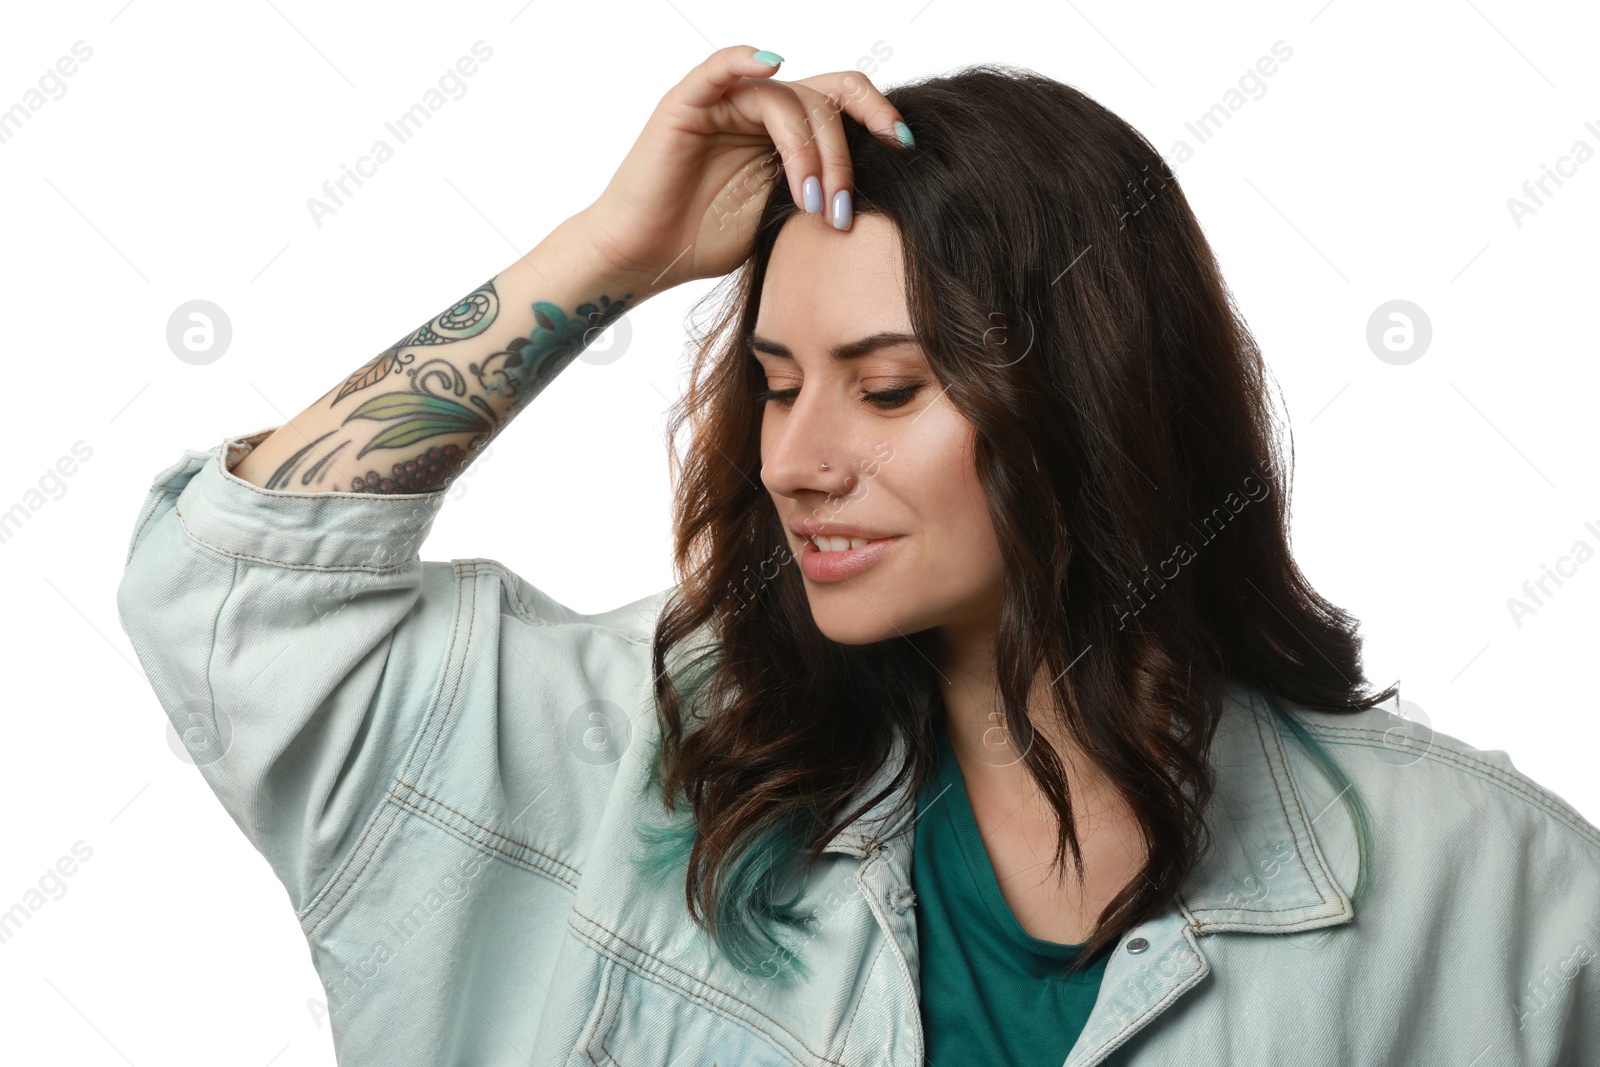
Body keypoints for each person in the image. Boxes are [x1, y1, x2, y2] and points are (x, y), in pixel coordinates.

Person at [117, 45, 1599, 1067]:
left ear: (1089, 401)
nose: (793, 458)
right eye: (774, 381)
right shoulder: (632, 763)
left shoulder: (1501, 898)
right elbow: (232, 603)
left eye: (888, 388)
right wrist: (610, 256)